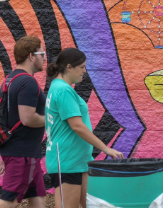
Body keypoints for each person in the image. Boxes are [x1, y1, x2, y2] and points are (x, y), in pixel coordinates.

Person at [45, 48, 124, 208]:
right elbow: (77, 126)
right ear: (69, 67)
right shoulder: (63, 90)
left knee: (91, 205)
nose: (84, 71)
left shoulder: (59, 87)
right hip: (67, 161)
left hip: (79, 161)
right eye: (81, 67)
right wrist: (105, 149)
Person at [0, 36, 47, 208]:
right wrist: (52, 121)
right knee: (9, 202)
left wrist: (8, 152)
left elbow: (7, 116)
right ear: (31, 56)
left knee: (38, 199)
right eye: (42, 54)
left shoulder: (11, 79)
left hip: (23, 152)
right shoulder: (28, 82)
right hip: (23, 155)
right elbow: (27, 118)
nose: (45, 58)